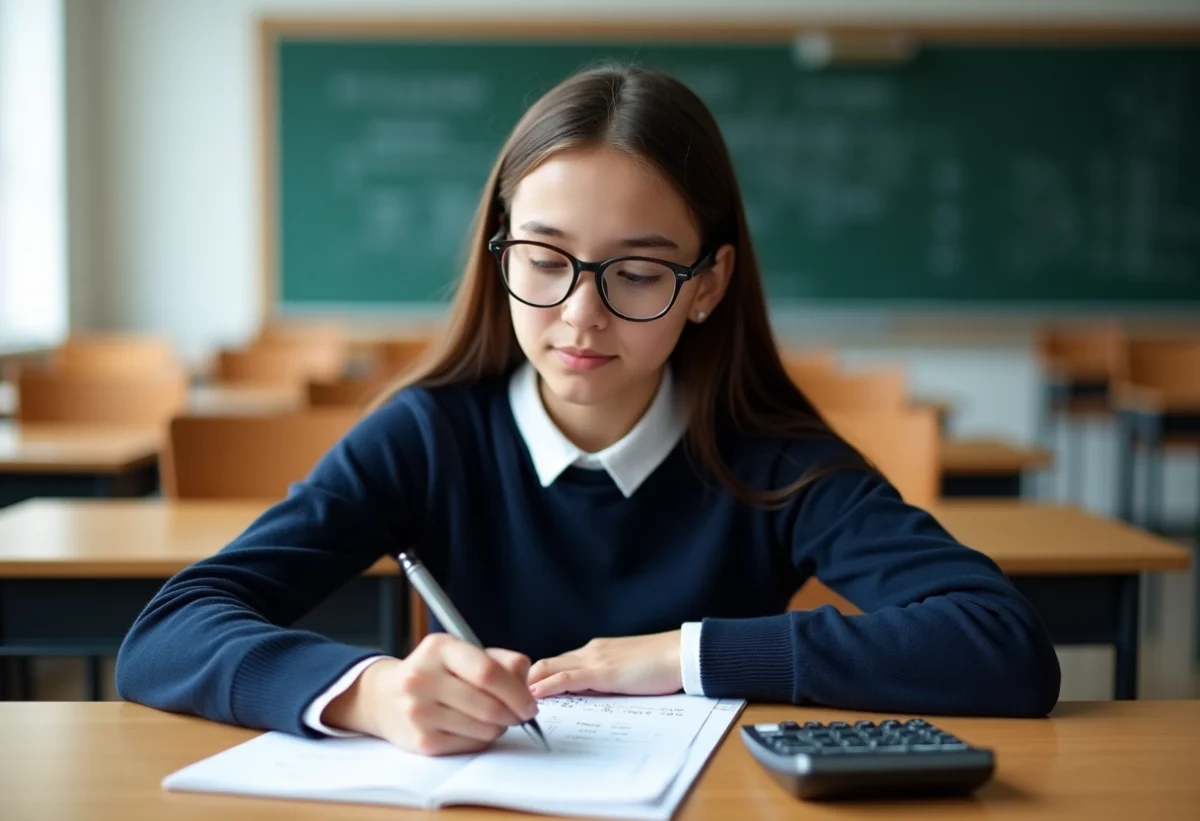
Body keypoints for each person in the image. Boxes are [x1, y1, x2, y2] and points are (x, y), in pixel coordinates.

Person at [115, 65, 1060, 756]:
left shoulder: (774, 457)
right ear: (501, 254)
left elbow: (1002, 644)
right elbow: (170, 630)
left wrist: (690, 655)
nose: (580, 313)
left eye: (639, 272)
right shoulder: (429, 437)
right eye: (545, 258)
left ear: (707, 282)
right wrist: (367, 690)